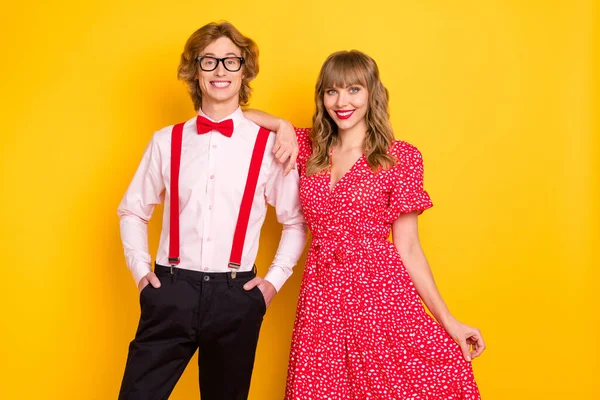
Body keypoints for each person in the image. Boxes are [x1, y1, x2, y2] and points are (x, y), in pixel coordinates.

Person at [245, 50, 485, 399]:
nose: (342, 101)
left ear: (372, 93)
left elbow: (410, 248)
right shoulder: (307, 147)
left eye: (353, 90)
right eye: (332, 91)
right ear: (322, 97)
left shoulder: (399, 158)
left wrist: (450, 322)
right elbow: (235, 118)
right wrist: (281, 124)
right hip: (321, 298)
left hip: (380, 297)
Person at [117, 21, 307, 400]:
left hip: (236, 297)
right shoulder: (165, 141)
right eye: (209, 61)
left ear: (244, 70)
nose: (220, 70)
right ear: (195, 71)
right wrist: (142, 274)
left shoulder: (270, 145)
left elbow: (295, 221)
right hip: (171, 290)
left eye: (231, 61)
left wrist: (270, 285)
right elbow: (132, 211)